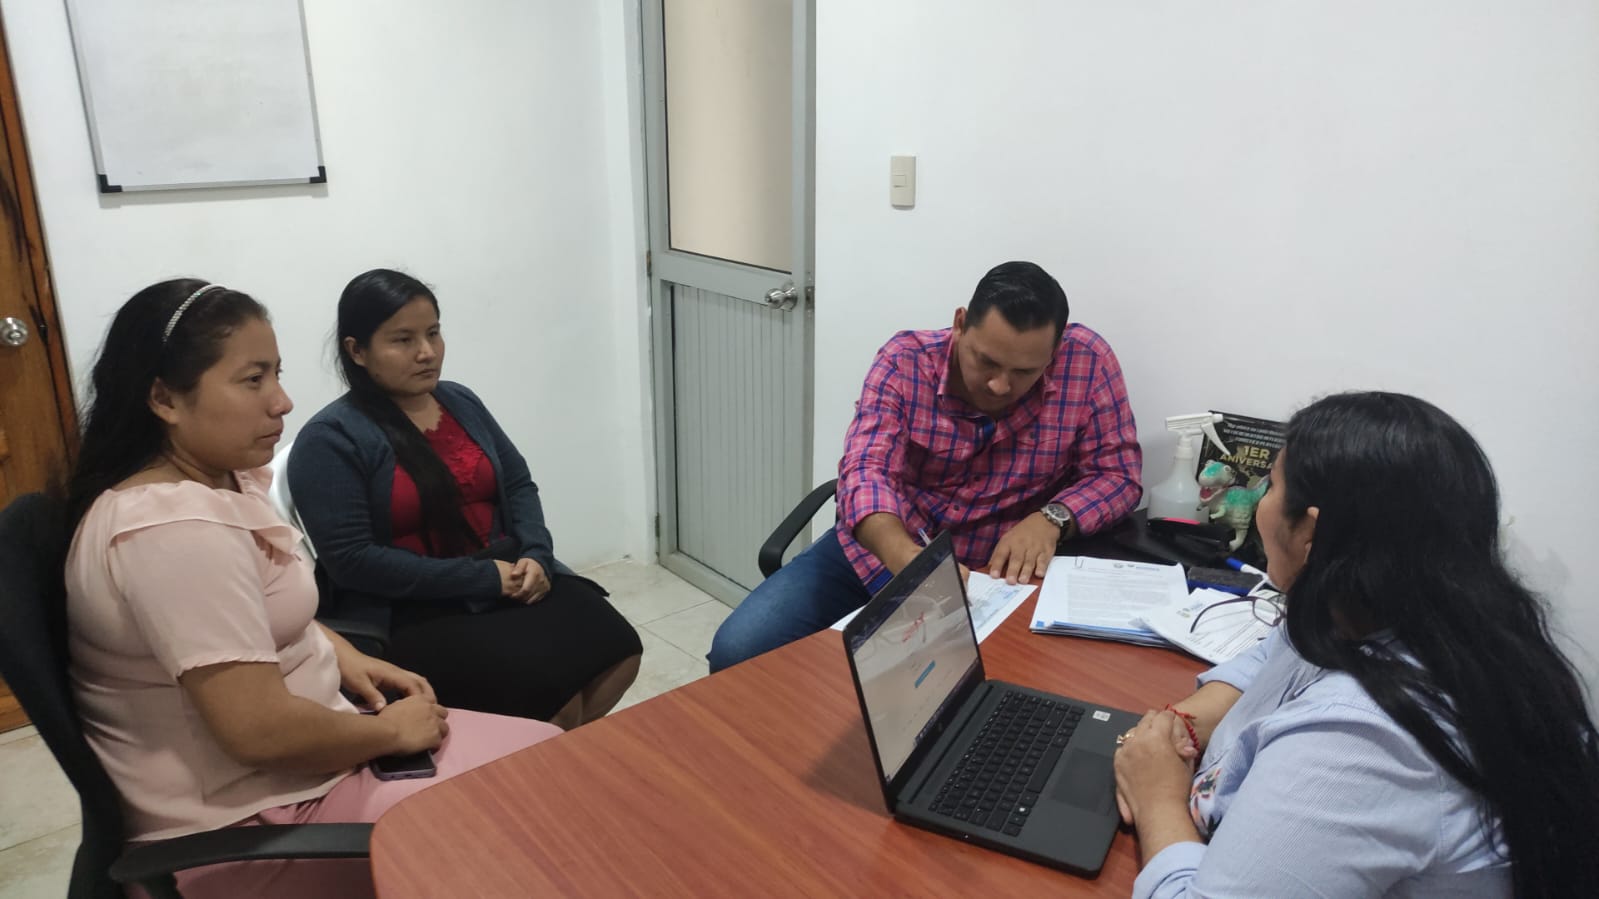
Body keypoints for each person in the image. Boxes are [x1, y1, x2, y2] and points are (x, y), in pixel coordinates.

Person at [64, 280, 564, 899]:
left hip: (308, 767)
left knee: (552, 758)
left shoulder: (219, 480)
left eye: (277, 374)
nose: (282, 401)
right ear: (164, 398)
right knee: (537, 806)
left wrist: (339, 651)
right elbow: (259, 731)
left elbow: (255, 610)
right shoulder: (173, 532)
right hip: (253, 824)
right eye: (253, 380)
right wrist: (390, 734)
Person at [1113, 392, 1599, 898]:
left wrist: (1157, 797)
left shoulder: (1367, 740)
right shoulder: (1392, 610)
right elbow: (1273, 655)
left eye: (1272, 486)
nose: (1260, 502)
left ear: (1311, 532)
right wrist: (1177, 728)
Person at [709, 260, 1142, 671]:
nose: (999, 385)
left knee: (974, 689)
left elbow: (1117, 474)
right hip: (886, 550)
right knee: (740, 649)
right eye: (986, 361)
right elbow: (866, 469)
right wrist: (909, 561)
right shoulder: (905, 361)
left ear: (1055, 352)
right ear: (959, 324)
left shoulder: (1088, 362)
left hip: (995, 577)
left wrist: (1052, 519)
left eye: (1024, 372)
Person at [289, 269, 641, 729]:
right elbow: (353, 561)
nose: (426, 352)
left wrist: (536, 553)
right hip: (410, 606)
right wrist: (483, 579)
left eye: (433, 333)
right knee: (548, 694)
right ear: (357, 351)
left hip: (505, 572)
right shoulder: (330, 440)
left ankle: (553, 749)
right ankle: (538, 754)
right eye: (403, 340)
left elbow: (517, 484)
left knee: (618, 648)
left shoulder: (460, 401)